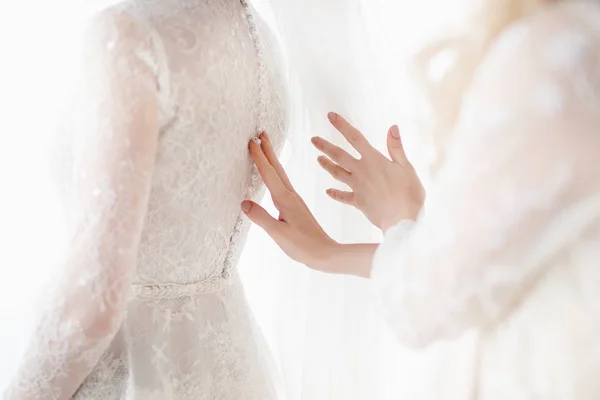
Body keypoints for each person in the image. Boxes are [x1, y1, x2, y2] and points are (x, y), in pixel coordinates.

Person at [244, 0, 600, 398]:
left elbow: (427, 303)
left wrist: (398, 216)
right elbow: (495, 260)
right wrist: (329, 251)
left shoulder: (557, 56)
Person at [3, 0, 287, 398]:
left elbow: (96, 301)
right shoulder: (258, 37)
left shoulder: (129, 36)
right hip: (227, 360)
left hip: (129, 371)